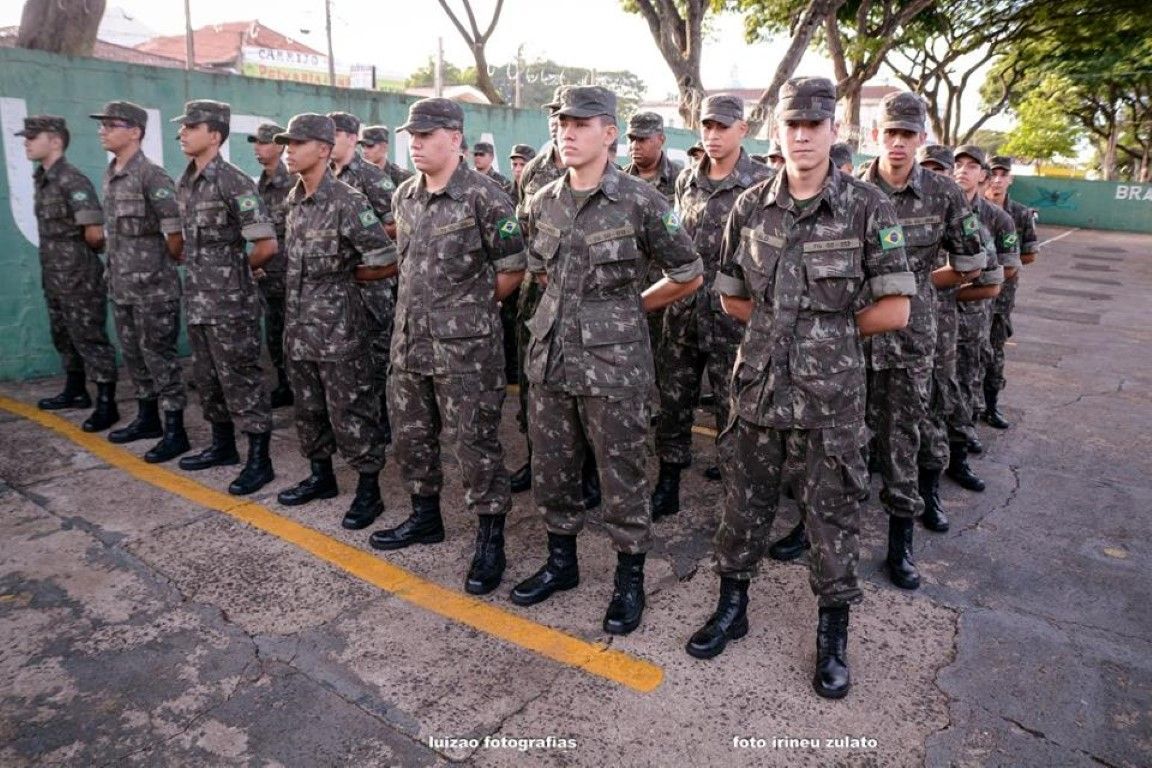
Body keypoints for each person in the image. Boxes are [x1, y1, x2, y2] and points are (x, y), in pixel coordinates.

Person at [685, 77, 915, 701]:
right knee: (743, 503)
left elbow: (894, 308)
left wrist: (829, 338)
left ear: (835, 133)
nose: (803, 135)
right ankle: (733, 607)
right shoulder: (750, 205)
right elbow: (732, 294)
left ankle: (832, 636)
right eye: (792, 125)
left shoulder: (867, 208)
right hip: (757, 387)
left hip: (830, 398)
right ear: (777, 133)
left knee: (831, 514)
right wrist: (776, 332)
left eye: (815, 125)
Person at [512, 86, 703, 635]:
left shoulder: (641, 201)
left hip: (614, 367)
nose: (566, 133)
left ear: (609, 133)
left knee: (621, 473)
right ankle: (561, 562)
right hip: (550, 358)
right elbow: (542, 269)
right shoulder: (543, 198)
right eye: (560, 123)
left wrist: (629, 309)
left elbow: (688, 272)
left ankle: (629, 577)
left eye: (580, 123)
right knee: (553, 465)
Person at [367, 98, 526, 598]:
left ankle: (490, 536)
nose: (414, 143)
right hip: (409, 344)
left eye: (426, 134)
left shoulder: (486, 197)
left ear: (455, 139)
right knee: (413, 437)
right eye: (410, 136)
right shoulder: (405, 196)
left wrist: (471, 311)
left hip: (466, 351)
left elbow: (512, 268)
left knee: (475, 445)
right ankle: (424, 516)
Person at [843, 92, 982, 590]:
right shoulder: (849, 187)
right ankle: (824, 532)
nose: (898, 143)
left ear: (922, 139)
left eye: (908, 134)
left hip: (909, 338)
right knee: (841, 439)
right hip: (853, 335)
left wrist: (920, 285)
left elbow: (973, 260)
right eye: (890, 133)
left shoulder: (943, 193)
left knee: (902, 439)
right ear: (874, 135)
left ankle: (900, 544)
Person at [650, 94, 773, 519]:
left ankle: (734, 499)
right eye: (708, 126)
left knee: (732, 410)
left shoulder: (762, 183)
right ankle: (668, 480)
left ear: (743, 129)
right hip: (683, 314)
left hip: (731, 320)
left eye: (723, 126)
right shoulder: (687, 180)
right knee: (674, 403)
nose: (714, 135)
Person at [273, 113, 396, 529]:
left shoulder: (348, 200)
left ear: (323, 150)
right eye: (286, 143)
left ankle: (368, 490)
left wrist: (348, 278)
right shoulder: (292, 200)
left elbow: (385, 260)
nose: (288, 150)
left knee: (351, 409)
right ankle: (321, 477)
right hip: (299, 327)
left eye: (297, 143)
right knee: (308, 408)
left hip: (340, 330)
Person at [171, 100, 278, 495]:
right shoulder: (184, 182)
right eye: (182, 127)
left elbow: (266, 245)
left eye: (191, 126)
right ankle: (222, 446)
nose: (182, 132)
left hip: (231, 303)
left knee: (242, 379)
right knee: (208, 378)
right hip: (197, 300)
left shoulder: (233, 182)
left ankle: (259, 460)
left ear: (214, 135)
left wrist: (235, 274)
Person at [510, 87, 602, 508]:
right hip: (537, 293)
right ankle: (538, 457)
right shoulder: (534, 172)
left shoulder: (603, 172)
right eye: (557, 117)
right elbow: (523, 225)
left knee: (583, 387)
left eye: (574, 120)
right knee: (538, 381)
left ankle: (588, 470)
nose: (561, 125)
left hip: (585, 305)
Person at [89, 101, 189, 463]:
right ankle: (148, 419)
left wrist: (164, 264)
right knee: (133, 356)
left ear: (135, 131)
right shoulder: (111, 172)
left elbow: (175, 232)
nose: (103, 130)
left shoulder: (153, 176)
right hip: (121, 284)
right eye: (102, 125)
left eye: (110, 125)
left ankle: (175, 430)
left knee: (159, 357)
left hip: (153, 288)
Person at [19, 115, 119, 432]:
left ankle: (107, 403)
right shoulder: (43, 178)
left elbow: (93, 231)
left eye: (34, 136)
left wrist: (77, 262)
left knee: (89, 336)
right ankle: (75, 390)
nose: (27, 141)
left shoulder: (72, 181)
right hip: (54, 272)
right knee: (63, 334)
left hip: (78, 273)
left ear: (56, 141)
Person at [948, 145, 1016, 492]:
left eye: (971, 166)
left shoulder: (996, 217)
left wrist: (949, 288)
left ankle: (957, 459)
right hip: (925, 319)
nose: (962, 170)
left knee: (964, 384)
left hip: (972, 319)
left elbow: (1005, 270)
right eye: (957, 164)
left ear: (983, 175)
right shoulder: (936, 208)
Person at [328, 111, 397, 443]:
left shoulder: (371, 177)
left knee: (378, 354)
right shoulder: (325, 176)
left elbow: (397, 224)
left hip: (373, 283)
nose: (330, 139)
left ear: (352, 138)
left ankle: (385, 419)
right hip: (341, 286)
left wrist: (354, 235)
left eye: (336, 133)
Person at [623, 111, 682, 380]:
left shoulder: (682, 181)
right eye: (632, 139)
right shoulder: (617, 183)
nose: (636, 145)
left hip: (668, 294)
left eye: (643, 139)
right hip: (626, 291)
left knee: (669, 373)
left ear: (661, 139)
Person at [981, 155, 1038, 429]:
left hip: (1000, 297)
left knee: (994, 351)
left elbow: (1028, 255)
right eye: (993, 173)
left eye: (1004, 174)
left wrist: (1004, 261)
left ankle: (990, 406)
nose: (998, 179)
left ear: (1010, 178)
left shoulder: (1020, 214)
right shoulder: (967, 209)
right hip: (968, 295)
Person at [248, 122, 294, 408]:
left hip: (290, 274)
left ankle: (298, 385)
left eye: (264, 142)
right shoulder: (258, 186)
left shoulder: (292, 184)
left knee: (293, 335)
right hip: (269, 274)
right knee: (275, 332)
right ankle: (283, 383)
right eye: (255, 142)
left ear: (279, 146)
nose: (258, 147)